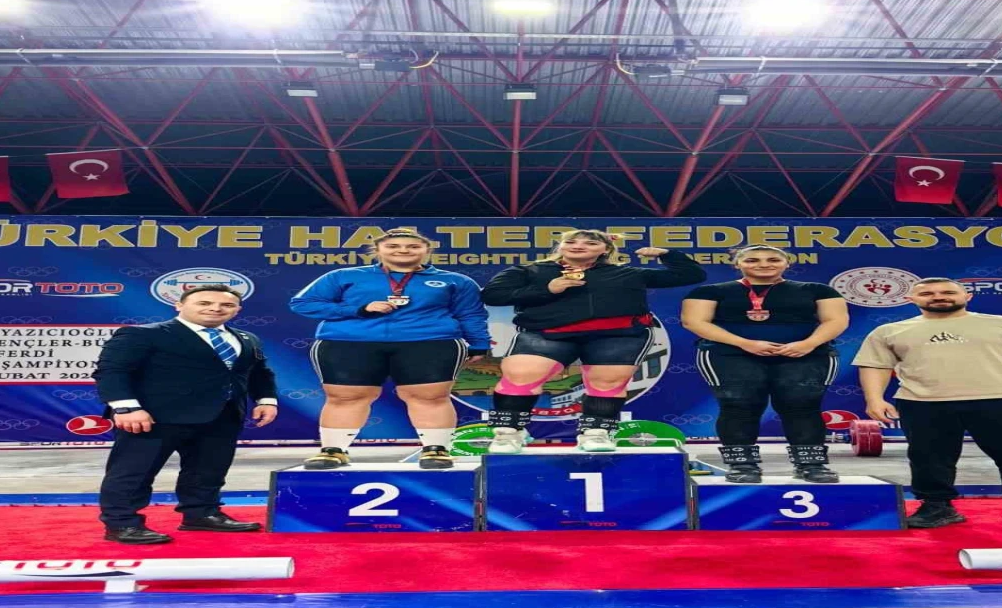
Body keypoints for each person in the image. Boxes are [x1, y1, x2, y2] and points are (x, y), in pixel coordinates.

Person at [852, 277, 1002, 533]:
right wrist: (874, 398)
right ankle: (936, 507)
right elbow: (875, 366)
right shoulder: (888, 331)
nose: (938, 296)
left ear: (967, 296)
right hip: (923, 403)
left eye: (947, 292)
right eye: (928, 293)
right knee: (928, 460)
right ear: (911, 299)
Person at [480, 229, 706, 453]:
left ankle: (596, 433)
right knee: (521, 376)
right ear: (561, 246)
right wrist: (547, 289)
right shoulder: (529, 271)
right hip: (546, 333)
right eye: (572, 242)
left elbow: (691, 275)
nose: (579, 246)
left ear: (606, 249)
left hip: (617, 335)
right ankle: (508, 433)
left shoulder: (629, 273)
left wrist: (667, 254)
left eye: (590, 243)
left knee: (607, 383)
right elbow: (492, 295)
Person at [289, 229, 490, 470]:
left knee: (431, 397)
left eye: (413, 246)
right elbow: (303, 303)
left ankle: (436, 450)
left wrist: (479, 343)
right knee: (345, 397)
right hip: (348, 343)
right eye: (393, 246)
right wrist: (359, 309)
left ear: (427, 250)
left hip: (430, 342)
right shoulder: (343, 276)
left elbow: (471, 314)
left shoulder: (456, 281)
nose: (403, 250)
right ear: (378, 249)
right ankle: (333, 451)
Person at [94, 284, 278, 544]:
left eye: (226, 305)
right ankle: (122, 524)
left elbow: (259, 372)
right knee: (134, 472)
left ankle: (201, 514)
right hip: (153, 417)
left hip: (222, 416)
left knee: (209, 471)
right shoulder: (142, 334)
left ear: (237, 309)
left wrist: (266, 399)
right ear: (179, 305)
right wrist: (126, 407)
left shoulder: (247, 339)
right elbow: (112, 371)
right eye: (204, 303)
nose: (215, 308)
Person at [681, 245, 849, 483]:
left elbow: (836, 320)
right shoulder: (709, 291)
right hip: (730, 354)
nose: (763, 264)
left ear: (787, 263)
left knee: (803, 406)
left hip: (804, 355)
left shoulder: (818, 290)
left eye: (773, 259)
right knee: (738, 406)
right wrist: (744, 343)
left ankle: (811, 465)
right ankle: (742, 466)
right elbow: (694, 322)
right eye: (752, 260)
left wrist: (808, 344)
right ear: (737, 264)